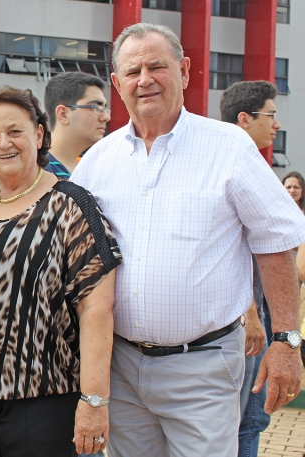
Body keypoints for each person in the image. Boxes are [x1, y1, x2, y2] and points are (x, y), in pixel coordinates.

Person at [71, 23, 305, 457]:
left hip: (203, 365)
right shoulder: (97, 162)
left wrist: (286, 339)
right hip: (119, 367)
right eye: (133, 71)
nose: (145, 80)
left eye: (156, 66)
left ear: (184, 70)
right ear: (118, 84)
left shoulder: (229, 147)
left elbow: (275, 242)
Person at [0, 85, 122, 456]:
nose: (4, 143)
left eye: (14, 131)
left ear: (38, 134)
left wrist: (94, 401)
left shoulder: (73, 206)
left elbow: (97, 310)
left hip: (43, 399)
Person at [220, 79, 283, 457]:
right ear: (245, 119)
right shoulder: (234, 168)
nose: (277, 124)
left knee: (251, 418)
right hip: (244, 324)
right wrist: (252, 317)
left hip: (251, 318)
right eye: (270, 115)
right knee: (245, 420)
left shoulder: (246, 164)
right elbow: (232, 250)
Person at [43, 72, 111, 178]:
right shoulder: (35, 173)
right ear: (63, 114)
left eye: (105, 108)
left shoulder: (88, 172)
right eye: (95, 107)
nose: (106, 117)